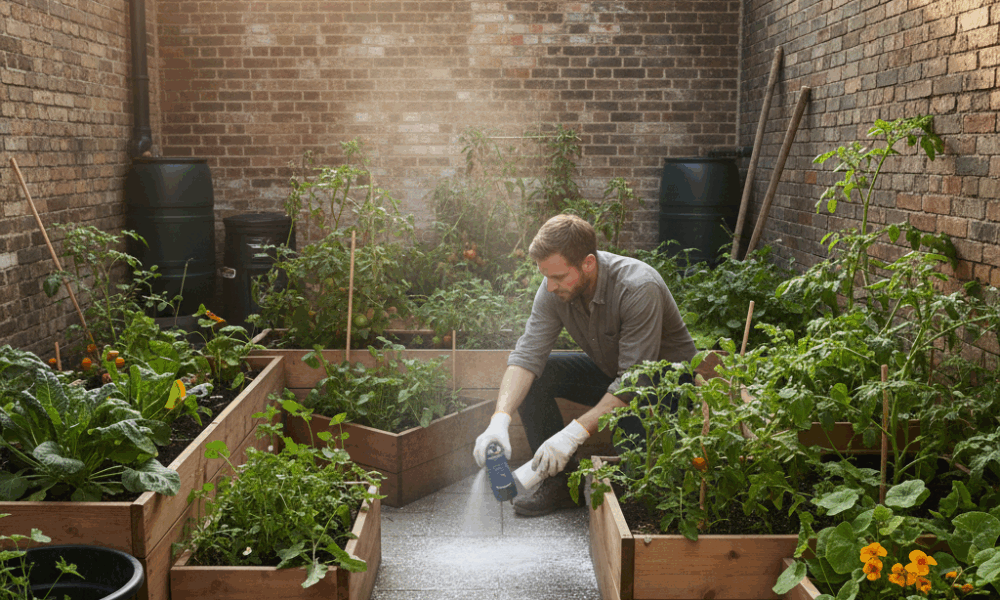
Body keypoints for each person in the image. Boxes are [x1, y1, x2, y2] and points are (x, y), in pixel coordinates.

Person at [473, 214, 697, 517]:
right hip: (615, 377)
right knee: (540, 376)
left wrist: (572, 435)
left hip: (664, 388)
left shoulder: (638, 287)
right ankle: (560, 486)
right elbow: (527, 356)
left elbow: (635, 382)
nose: (550, 287)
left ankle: (634, 493)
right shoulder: (555, 287)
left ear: (588, 263)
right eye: (545, 276)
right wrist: (499, 420)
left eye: (559, 277)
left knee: (636, 501)